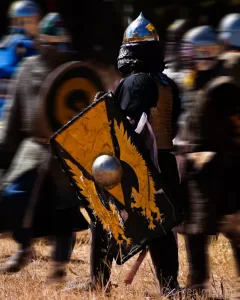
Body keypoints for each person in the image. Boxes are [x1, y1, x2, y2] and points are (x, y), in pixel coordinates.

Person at [87, 13, 182, 297]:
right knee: (160, 228)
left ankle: (98, 282)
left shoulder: (134, 82)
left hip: (139, 165)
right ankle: (169, 286)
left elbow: (127, 130)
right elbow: (171, 126)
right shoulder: (168, 84)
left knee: (103, 217)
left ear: (130, 49)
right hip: (165, 162)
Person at [0, 12, 88, 283]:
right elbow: (15, 112)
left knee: (63, 211)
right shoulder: (27, 68)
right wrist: (5, 148)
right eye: (49, 42)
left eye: (58, 43)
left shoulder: (75, 71)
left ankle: (59, 265)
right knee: (15, 197)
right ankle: (24, 248)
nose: (54, 48)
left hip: (64, 152)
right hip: (33, 148)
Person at [177, 16, 240, 297]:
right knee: (194, 231)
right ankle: (197, 285)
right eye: (192, 51)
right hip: (197, 172)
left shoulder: (223, 85)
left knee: (235, 229)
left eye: (201, 50)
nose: (197, 56)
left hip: (224, 170)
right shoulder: (193, 81)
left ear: (210, 50)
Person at [0, 0, 40, 123]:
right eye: (34, 21)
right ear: (23, 22)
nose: (38, 25)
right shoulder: (25, 44)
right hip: (13, 113)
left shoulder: (4, 42)